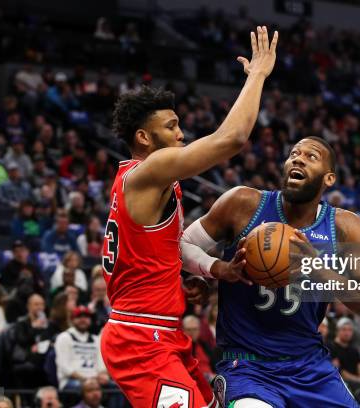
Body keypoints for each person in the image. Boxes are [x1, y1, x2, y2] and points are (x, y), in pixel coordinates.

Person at [100, 26, 279, 408]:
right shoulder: (150, 171)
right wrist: (258, 75)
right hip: (140, 338)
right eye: (171, 127)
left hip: (160, 331)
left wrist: (214, 269)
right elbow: (230, 140)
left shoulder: (147, 181)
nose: (181, 134)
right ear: (144, 138)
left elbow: (168, 247)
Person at [181, 136, 360, 407]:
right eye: (294, 153)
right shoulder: (243, 204)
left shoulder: (345, 227)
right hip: (248, 366)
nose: (298, 158)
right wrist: (216, 269)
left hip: (310, 367)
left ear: (329, 179)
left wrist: (317, 268)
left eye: (311, 156)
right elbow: (182, 244)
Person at [54, 305, 109, 391]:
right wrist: (85, 379)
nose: (83, 320)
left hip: (95, 380)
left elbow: (101, 364)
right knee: (88, 388)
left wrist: (102, 375)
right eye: (79, 317)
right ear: (72, 320)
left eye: (86, 317)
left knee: (117, 387)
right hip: (71, 380)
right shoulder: (64, 337)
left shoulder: (96, 340)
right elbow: (64, 367)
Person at [330, 317, 360, 392]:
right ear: (337, 331)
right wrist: (359, 380)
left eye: (349, 330)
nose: (347, 333)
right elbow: (340, 372)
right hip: (342, 382)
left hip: (358, 381)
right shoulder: (331, 348)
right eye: (344, 329)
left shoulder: (354, 350)